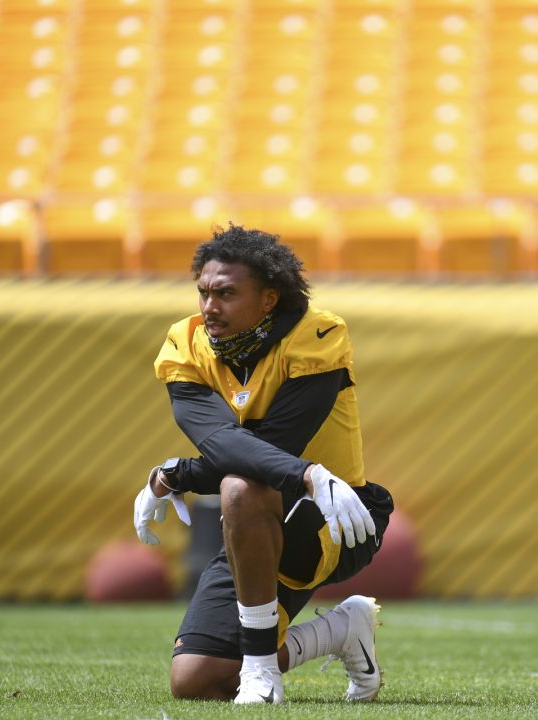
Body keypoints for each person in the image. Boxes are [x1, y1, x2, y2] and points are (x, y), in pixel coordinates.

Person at [132, 224, 395, 704]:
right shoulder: (186, 343)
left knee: (241, 485)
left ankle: (260, 672)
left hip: (335, 515)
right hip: (256, 520)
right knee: (196, 680)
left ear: (269, 299)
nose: (210, 307)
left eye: (227, 294)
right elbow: (222, 442)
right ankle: (342, 630)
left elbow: (273, 448)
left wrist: (176, 475)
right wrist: (176, 473)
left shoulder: (317, 334)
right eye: (204, 293)